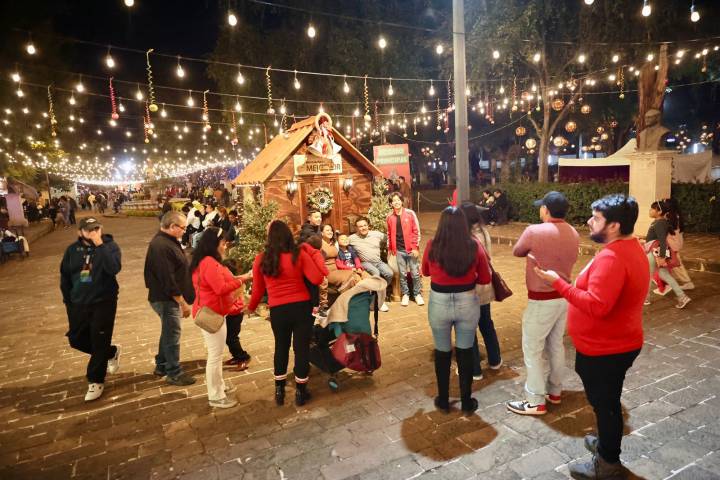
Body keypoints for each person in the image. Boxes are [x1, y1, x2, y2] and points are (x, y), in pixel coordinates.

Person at [533, 194, 649, 479]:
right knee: (607, 401)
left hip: (606, 349)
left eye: (596, 218)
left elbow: (597, 306)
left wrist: (558, 284)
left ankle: (608, 463)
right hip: (616, 342)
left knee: (606, 405)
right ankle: (606, 442)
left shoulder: (613, 257)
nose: (589, 221)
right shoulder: (628, 247)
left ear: (614, 226)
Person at [506, 191, 580, 416]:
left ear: (546, 209)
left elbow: (517, 251)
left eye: (542, 207)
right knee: (556, 345)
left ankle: (535, 400)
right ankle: (555, 391)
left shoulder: (534, 231)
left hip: (541, 299)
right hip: (564, 297)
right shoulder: (573, 232)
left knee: (532, 349)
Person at [247, 220, 328, 406]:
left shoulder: (261, 258)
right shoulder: (299, 254)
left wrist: (251, 307)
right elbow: (317, 278)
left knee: (281, 347)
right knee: (301, 349)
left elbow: (258, 290)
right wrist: (311, 254)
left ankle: (279, 391)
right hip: (301, 307)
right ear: (289, 235)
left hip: (278, 310)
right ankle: (301, 392)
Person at [422, 207, 491, 415]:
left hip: (439, 302)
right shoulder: (474, 245)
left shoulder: (432, 245)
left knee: (442, 352)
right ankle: (466, 401)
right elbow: (485, 278)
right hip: (467, 301)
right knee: (465, 351)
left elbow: (425, 271)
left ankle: (443, 400)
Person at [60, 217, 122, 401]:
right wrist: (68, 301)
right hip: (78, 303)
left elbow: (113, 268)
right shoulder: (72, 250)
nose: (94, 232)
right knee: (76, 339)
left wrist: (99, 245)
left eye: (96, 228)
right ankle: (111, 352)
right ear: (80, 232)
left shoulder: (109, 247)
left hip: (103, 301)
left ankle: (95, 380)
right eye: (89, 230)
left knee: (99, 339)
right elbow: (65, 276)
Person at [189, 227, 245, 409]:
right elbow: (220, 288)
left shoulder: (204, 261)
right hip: (211, 313)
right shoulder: (209, 263)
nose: (225, 246)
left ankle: (219, 386)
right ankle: (215, 396)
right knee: (215, 355)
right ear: (214, 244)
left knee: (216, 354)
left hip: (211, 310)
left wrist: (240, 278)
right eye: (223, 243)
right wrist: (242, 280)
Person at [144, 211, 196, 386]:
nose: (184, 231)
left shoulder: (168, 241)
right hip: (166, 299)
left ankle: (162, 365)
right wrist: (182, 303)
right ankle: (174, 372)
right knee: (173, 335)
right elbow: (167, 279)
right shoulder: (161, 246)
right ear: (172, 226)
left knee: (168, 332)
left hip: (166, 297)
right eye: (183, 228)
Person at [459, 202, 502, 379]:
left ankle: (474, 369)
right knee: (486, 323)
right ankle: (495, 360)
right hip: (485, 287)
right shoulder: (484, 232)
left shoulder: (465, 238)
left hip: (470, 289)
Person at [644, 200, 691, 309]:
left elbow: (662, 241)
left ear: (659, 212)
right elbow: (658, 239)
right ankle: (682, 297)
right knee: (664, 275)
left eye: (652, 209)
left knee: (647, 275)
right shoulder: (660, 222)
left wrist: (661, 257)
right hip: (657, 252)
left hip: (654, 253)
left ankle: (645, 298)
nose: (650, 211)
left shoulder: (659, 223)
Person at [386, 192, 423, 306]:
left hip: (411, 249)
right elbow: (389, 233)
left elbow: (416, 231)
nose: (396, 202)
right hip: (398, 250)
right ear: (391, 204)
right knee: (402, 274)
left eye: (398, 200)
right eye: (394, 201)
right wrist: (390, 248)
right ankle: (405, 294)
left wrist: (415, 248)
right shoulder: (389, 217)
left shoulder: (410, 213)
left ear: (402, 201)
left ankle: (417, 294)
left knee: (415, 273)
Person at [349, 217, 392, 312]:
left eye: (365, 225)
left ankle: (381, 293)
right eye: (360, 226)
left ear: (368, 226)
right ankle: (379, 301)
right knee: (376, 273)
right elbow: (341, 242)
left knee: (389, 273)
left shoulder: (376, 234)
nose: (363, 228)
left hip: (378, 262)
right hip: (364, 263)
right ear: (356, 228)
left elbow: (390, 238)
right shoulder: (352, 238)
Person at [320, 224, 362, 304]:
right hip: (327, 271)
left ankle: (356, 302)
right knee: (351, 276)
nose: (330, 232)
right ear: (322, 233)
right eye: (327, 230)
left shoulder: (333, 243)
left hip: (337, 269)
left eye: (331, 230)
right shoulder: (320, 244)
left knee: (356, 275)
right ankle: (343, 302)